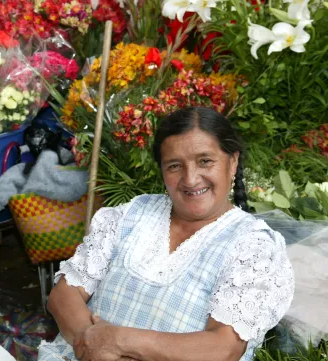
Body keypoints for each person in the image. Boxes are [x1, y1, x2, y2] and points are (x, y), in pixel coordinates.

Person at [38, 107, 295, 361]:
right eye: (174, 166)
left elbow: (223, 349)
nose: (191, 179)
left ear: (233, 162)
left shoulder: (253, 247)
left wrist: (118, 340)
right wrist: (92, 344)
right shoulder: (130, 214)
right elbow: (64, 295)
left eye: (205, 161)